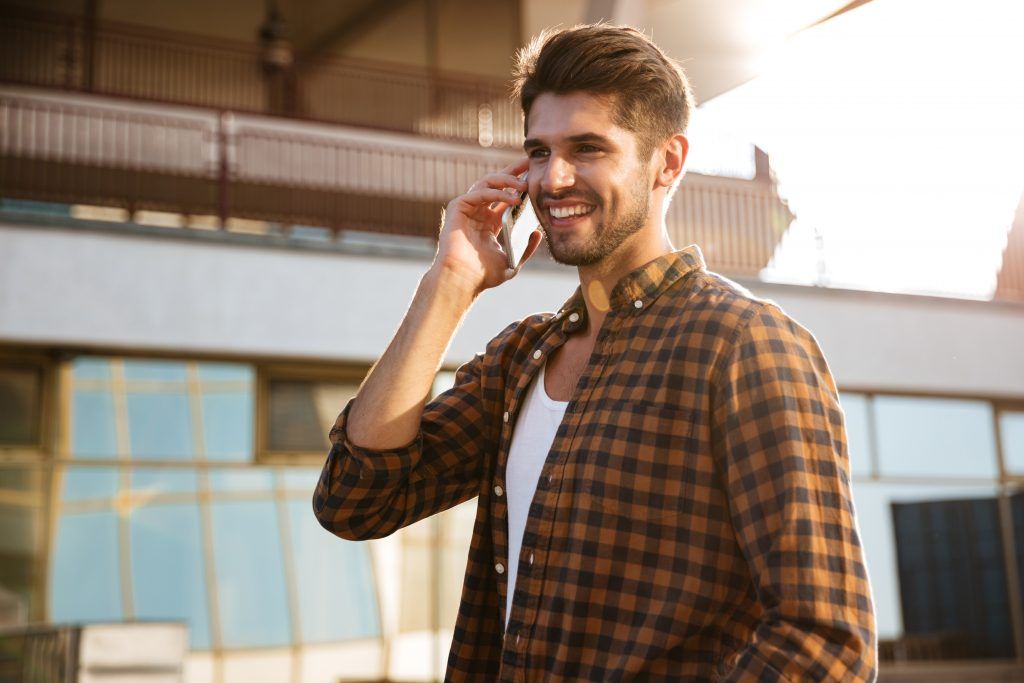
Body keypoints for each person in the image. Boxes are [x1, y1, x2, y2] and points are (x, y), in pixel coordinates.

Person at [314, 23, 877, 681]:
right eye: (538, 150)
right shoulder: (522, 358)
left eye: (587, 148)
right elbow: (356, 500)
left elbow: (823, 640)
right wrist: (448, 284)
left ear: (667, 162)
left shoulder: (741, 347)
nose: (553, 178)